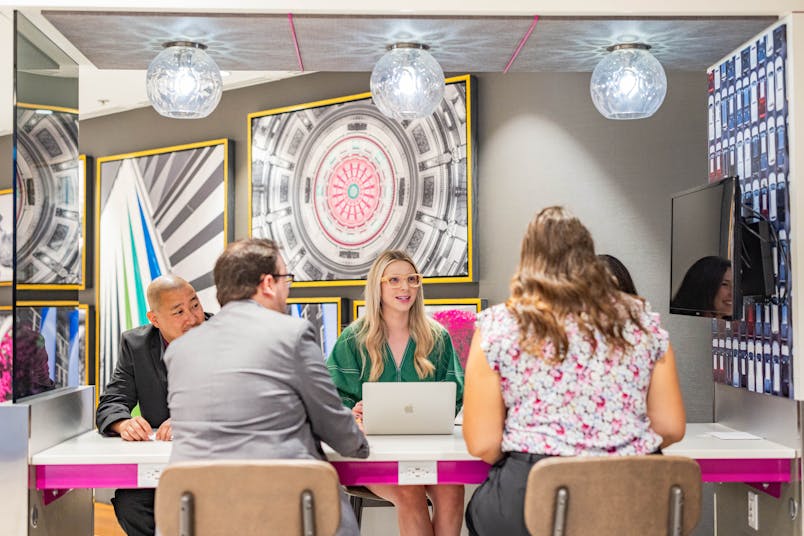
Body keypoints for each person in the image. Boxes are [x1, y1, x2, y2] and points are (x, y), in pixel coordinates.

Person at [463, 207, 686, 536]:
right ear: (589, 258)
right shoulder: (641, 320)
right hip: (633, 496)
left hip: (532, 496)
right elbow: (670, 427)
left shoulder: (498, 325)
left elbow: (483, 443)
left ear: (527, 260)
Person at [164, 238, 369, 536]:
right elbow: (338, 431)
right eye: (287, 279)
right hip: (290, 515)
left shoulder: (178, 351)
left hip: (194, 517)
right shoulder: (293, 334)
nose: (288, 290)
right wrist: (358, 439)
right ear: (269, 283)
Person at [327, 250, 465, 536]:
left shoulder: (438, 338)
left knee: (452, 490)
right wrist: (350, 413)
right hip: (370, 454)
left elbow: (455, 395)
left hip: (428, 451)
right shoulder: (353, 339)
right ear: (378, 286)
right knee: (408, 491)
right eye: (395, 280)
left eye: (412, 279)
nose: (405, 288)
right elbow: (330, 399)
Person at [95, 274, 207, 536]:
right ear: (154, 319)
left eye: (195, 305)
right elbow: (112, 400)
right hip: (160, 463)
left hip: (216, 458)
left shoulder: (225, 336)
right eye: (178, 311)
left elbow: (238, 398)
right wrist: (124, 423)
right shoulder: (136, 345)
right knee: (130, 504)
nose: (192, 318)